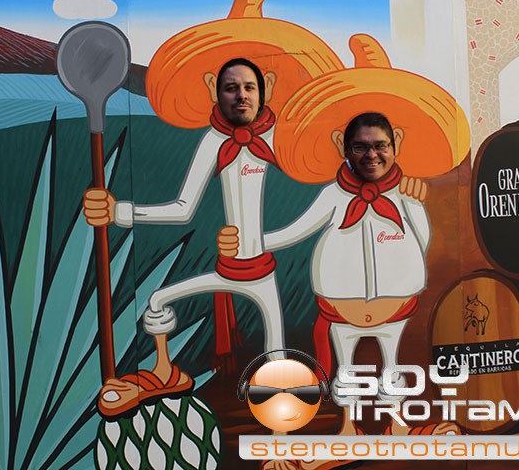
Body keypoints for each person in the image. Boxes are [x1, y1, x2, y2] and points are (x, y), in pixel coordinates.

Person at [220, 112, 458, 447]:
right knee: (346, 371)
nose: (371, 155)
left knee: (391, 366)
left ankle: (397, 425)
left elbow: (422, 239)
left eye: (380, 146)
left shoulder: (407, 196)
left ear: (396, 145)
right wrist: (244, 244)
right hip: (341, 308)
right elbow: (295, 231)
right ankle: (348, 427)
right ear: (343, 148)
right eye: (360, 147)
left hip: (396, 307)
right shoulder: (334, 194)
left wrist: (402, 269)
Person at [84, 57, 287, 417]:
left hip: (263, 271)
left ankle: (280, 433)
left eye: (249, 87)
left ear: (265, 89)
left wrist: (261, 241)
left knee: (276, 358)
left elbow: (317, 201)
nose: (241, 95)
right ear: (214, 91)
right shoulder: (213, 141)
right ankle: (165, 372)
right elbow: (183, 208)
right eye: (231, 88)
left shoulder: (283, 139)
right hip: (227, 268)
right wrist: (120, 212)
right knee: (157, 299)